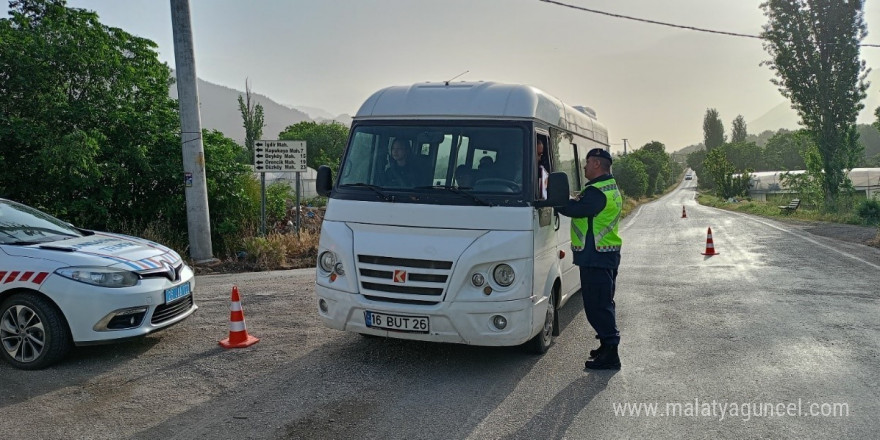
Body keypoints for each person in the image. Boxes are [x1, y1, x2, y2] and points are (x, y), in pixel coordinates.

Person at [555, 147, 623, 370]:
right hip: (604, 253)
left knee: (597, 305)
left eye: (586, 163)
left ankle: (611, 353)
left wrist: (554, 200)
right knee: (603, 302)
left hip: (596, 256)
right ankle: (605, 346)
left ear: (596, 164)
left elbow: (574, 209)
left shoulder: (596, 192)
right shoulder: (608, 187)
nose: (583, 167)